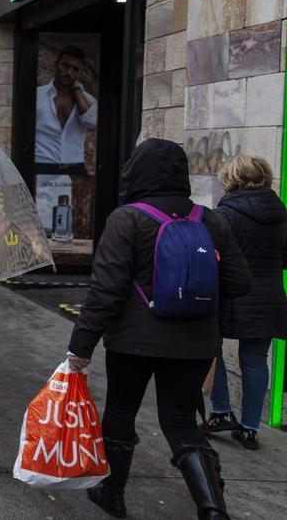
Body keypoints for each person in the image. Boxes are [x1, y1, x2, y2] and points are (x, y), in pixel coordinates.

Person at [67, 139, 251, 520]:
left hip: (134, 341)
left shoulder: (127, 218)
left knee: (120, 410)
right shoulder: (210, 219)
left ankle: (112, 492)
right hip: (196, 342)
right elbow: (239, 282)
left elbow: (106, 290)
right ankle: (212, 506)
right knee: (181, 420)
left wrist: (81, 346)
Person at [204, 154, 287, 450]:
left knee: (211, 347)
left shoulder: (226, 213)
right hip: (269, 295)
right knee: (255, 360)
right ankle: (250, 428)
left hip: (231, 294)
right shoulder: (280, 211)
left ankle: (221, 411)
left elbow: (216, 257)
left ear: (232, 179)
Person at [35, 45, 97, 176]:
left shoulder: (88, 101)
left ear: (80, 72)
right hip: (42, 166)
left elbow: (92, 123)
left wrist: (77, 91)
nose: (69, 72)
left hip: (75, 167)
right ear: (56, 64)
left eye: (75, 69)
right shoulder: (37, 96)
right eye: (65, 65)